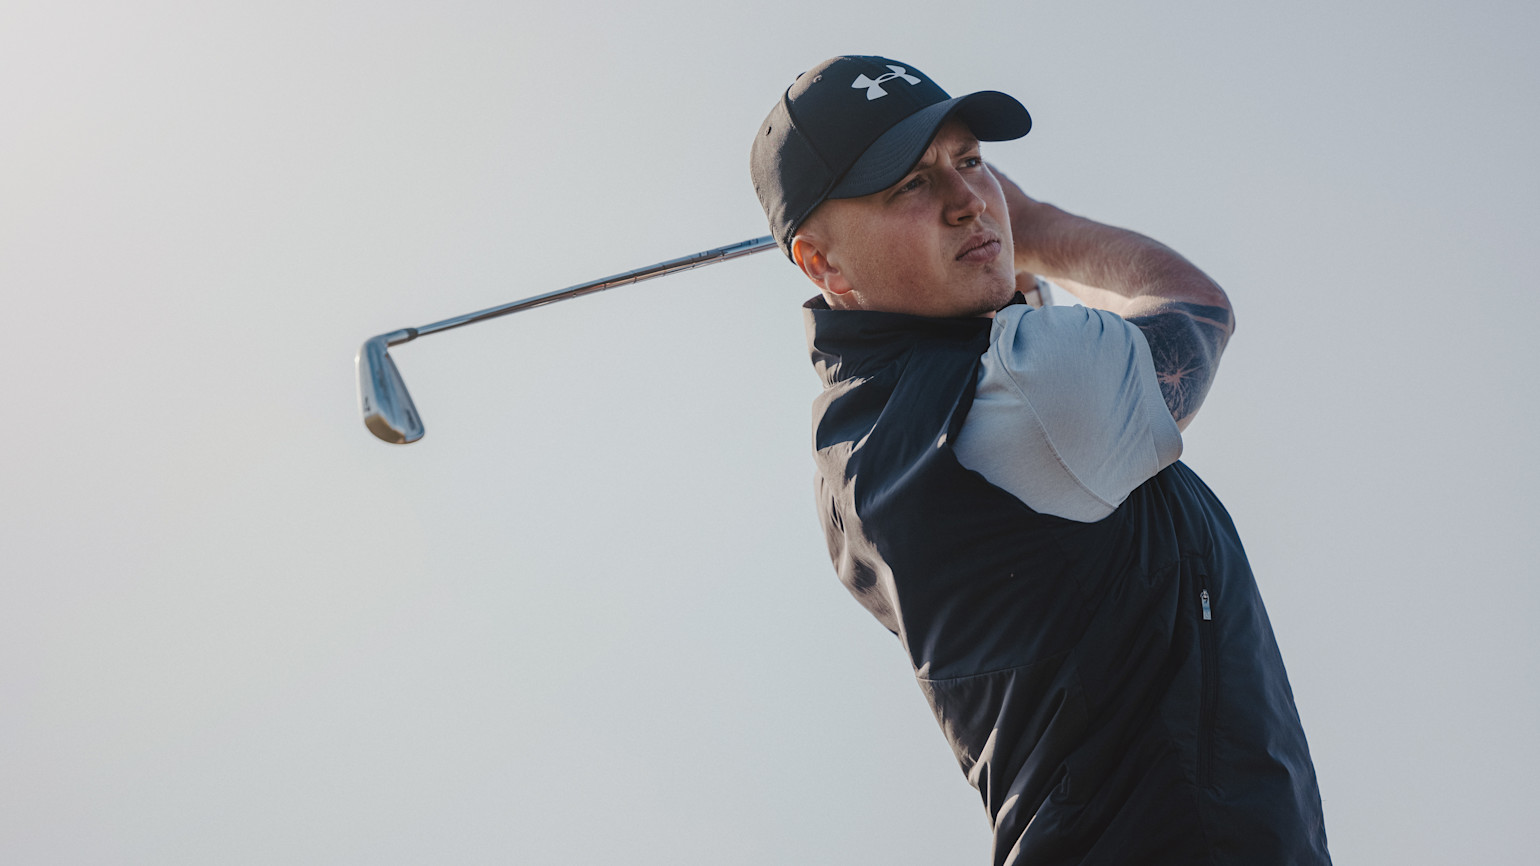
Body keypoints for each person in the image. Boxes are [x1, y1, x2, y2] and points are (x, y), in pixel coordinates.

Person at [750, 55, 1331, 865]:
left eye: (971, 163)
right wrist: (1038, 225)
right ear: (821, 263)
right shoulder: (1032, 382)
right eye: (909, 185)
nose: (967, 202)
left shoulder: (856, 447)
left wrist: (1005, 274)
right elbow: (1195, 307)